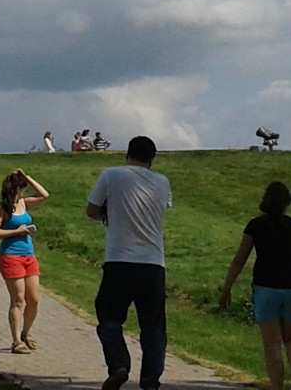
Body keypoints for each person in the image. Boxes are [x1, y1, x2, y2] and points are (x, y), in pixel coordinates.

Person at [217, 181, 291, 390]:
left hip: (265, 288)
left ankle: (277, 387)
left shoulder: (256, 226)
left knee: (272, 343)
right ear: (287, 203)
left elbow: (240, 259)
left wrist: (227, 288)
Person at [86, 135, 172, 390]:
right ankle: (150, 380)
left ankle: (119, 365)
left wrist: (108, 214)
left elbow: (91, 210)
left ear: (128, 154)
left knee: (109, 318)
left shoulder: (111, 175)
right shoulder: (162, 182)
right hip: (154, 263)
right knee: (154, 327)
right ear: (151, 160)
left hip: (119, 260)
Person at [0, 168, 49, 353]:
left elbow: (44, 195)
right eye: (20, 188)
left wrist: (28, 177)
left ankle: (26, 333)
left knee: (34, 299)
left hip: (28, 256)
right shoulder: (2, 209)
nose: (22, 192)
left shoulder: (24, 203)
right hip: (11, 256)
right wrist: (17, 231)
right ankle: (16, 342)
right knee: (18, 299)